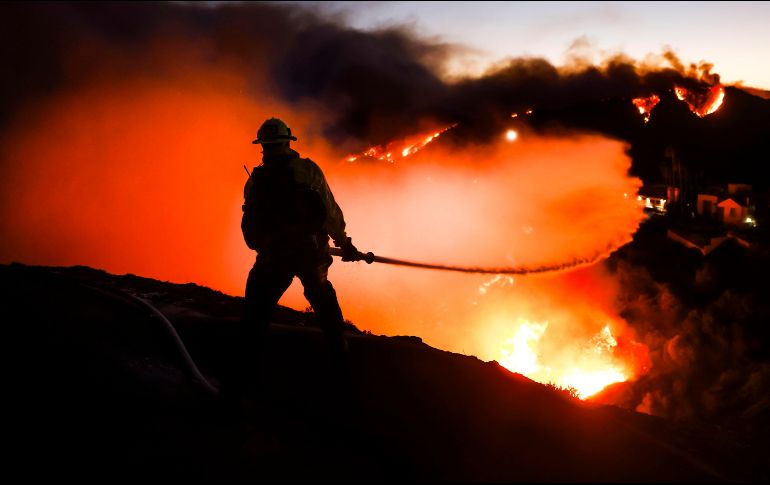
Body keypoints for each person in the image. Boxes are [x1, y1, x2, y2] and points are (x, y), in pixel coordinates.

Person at [222, 117, 360, 406]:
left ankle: (242, 377)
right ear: (289, 142)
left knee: (256, 313)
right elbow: (330, 212)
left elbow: (252, 222)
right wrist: (344, 243)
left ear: (263, 146)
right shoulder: (308, 171)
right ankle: (341, 359)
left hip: (273, 258)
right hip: (311, 255)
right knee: (323, 299)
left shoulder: (256, 179)